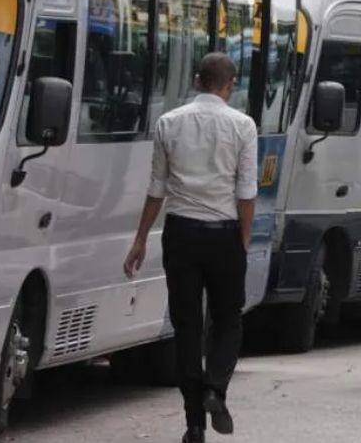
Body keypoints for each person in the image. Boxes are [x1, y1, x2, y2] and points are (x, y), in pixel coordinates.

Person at [123, 52, 256, 443]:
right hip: (224, 233)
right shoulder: (243, 126)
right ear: (229, 86)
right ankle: (215, 388)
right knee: (228, 320)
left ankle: (193, 423)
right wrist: (242, 240)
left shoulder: (169, 123)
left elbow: (156, 189)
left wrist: (140, 239)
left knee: (187, 328)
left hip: (180, 233)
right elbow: (246, 192)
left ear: (197, 80)